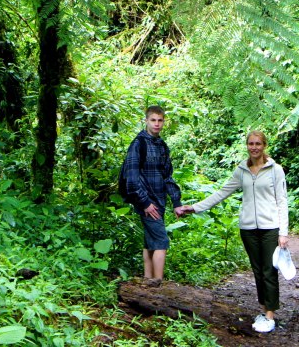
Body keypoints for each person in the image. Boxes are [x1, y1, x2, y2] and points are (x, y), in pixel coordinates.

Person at [181, 131, 289, 333]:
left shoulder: (276, 170)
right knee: (258, 271)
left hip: (270, 228)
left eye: (258, 143)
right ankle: (263, 310)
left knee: (269, 270)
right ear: (246, 145)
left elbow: (282, 201)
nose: (254, 147)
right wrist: (195, 207)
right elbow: (222, 192)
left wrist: (283, 232)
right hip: (248, 228)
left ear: (264, 145)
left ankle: (270, 316)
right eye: (250, 143)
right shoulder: (242, 170)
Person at [121, 105, 185, 284]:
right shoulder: (138, 144)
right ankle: (158, 284)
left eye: (160, 120)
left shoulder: (162, 145)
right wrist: (145, 203)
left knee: (151, 242)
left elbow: (167, 176)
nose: (157, 124)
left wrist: (177, 202)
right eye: (153, 120)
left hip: (160, 200)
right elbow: (131, 179)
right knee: (161, 241)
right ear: (146, 121)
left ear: (164, 121)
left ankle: (147, 281)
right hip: (147, 202)